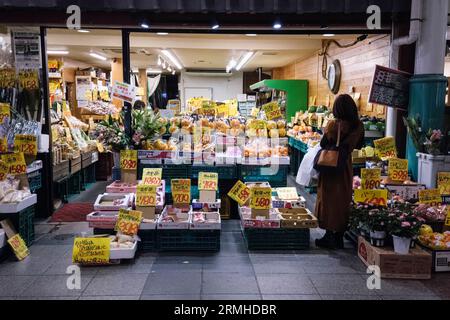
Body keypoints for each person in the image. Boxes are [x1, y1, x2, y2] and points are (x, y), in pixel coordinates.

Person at [314, 94, 365, 249]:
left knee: (329, 200)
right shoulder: (358, 127)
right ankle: (339, 237)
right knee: (342, 200)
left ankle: (329, 236)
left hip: (330, 167)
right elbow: (358, 146)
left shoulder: (333, 125)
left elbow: (323, 143)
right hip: (345, 166)